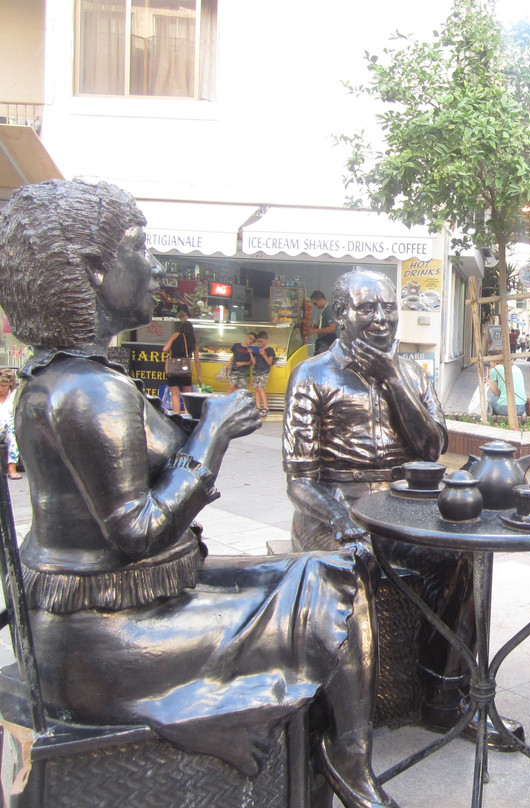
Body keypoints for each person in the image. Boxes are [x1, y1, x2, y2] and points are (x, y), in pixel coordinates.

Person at [0, 179, 396, 808]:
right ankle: (345, 768)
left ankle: (329, 769)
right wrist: (209, 436)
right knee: (329, 586)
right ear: (95, 271)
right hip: (108, 639)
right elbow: (135, 531)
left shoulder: (75, 376)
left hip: (107, 618)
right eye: (139, 247)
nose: (154, 264)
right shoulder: (88, 391)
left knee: (317, 573)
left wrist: (189, 428)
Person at [284, 269, 482, 738]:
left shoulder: (412, 371)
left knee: (462, 558)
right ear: (341, 314)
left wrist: (394, 380)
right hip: (334, 504)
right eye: (367, 308)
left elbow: (431, 448)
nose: (380, 318)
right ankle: (349, 716)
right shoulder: (312, 375)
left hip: (402, 499)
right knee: (357, 563)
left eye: (388, 307)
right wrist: (341, 519)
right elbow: (299, 481)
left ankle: (444, 696)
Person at [162, 303, 200, 413]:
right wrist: (199, 376)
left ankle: (177, 414)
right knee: (187, 393)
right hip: (185, 367)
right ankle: (188, 414)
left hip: (173, 367)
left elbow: (165, 349)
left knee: (175, 393)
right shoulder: (193, 341)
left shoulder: (176, 335)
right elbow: (197, 361)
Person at [0, 368, 21, 480]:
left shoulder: (14, 395)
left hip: (8, 429)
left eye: (4, 386)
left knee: (12, 431)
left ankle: (12, 467)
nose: (1, 389)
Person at [250, 330, 275, 417]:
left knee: (260, 388)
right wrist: (251, 354)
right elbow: (254, 362)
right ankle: (258, 407)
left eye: (261, 341)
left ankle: (266, 407)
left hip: (264, 372)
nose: (259, 343)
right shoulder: (256, 351)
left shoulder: (270, 350)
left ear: (266, 340)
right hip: (256, 371)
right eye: (258, 342)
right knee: (256, 389)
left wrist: (264, 354)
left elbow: (269, 362)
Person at [310, 290, 336, 354]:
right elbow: (325, 325)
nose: (315, 305)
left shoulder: (328, 310)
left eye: (315, 303)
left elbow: (332, 328)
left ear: (321, 300)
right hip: (323, 341)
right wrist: (315, 326)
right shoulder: (324, 310)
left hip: (327, 341)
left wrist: (316, 331)